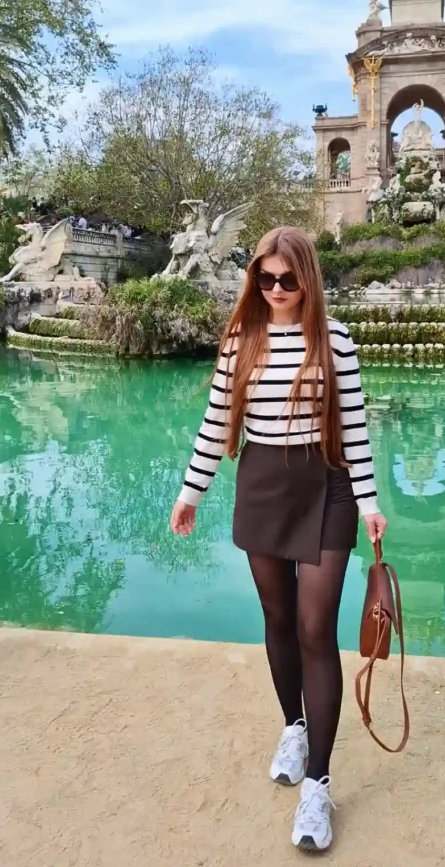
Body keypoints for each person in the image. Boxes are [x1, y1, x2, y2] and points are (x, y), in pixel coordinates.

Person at [169, 226, 386, 853]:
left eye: (288, 279)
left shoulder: (335, 338)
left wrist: (370, 504)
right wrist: (191, 493)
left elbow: (355, 432)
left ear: (308, 278)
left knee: (317, 628)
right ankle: (293, 724)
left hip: (328, 486)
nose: (276, 289)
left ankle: (318, 782)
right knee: (278, 616)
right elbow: (215, 424)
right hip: (263, 481)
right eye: (264, 279)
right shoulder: (241, 339)